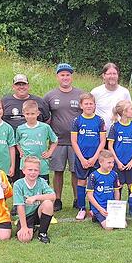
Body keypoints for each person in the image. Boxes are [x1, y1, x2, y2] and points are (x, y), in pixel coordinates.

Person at [44, 63, 84, 212]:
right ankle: (58, 199)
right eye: (62, 75)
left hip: (76, 142)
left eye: (68, 75)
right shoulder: (50, 96)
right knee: (58, 171)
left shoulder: (80, 94)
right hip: (58, 142)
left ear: (71, 77)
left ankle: (77, 199)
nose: (65, 77)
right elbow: (45, 117)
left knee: (75, 171)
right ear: (57, 77)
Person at [3, 73, 50, 184]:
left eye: (23, 84)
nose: (21, 87)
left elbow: (47, 120)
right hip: (12, 148)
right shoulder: (5, 101)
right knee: (16, 180)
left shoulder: (39, 102)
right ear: (13, 86)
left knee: (35, 179)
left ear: (28, 86)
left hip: (34, 151)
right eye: (18, 84)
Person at [70, 93, 107, 221]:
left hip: (96, 158)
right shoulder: (77, 121)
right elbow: (74, 141)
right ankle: (81, 208)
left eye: (91, 103)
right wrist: (82, 159)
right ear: (81, 105)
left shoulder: (99, 120)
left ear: (95, 105)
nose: (89, 106)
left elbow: (103, 141)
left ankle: (93, 208)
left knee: (95, 182)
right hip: (82, 158)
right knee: (81, 181)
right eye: (86, 103)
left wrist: (95, 157)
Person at [13, 156, 56, 243]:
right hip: (26, 216)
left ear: (39, 171)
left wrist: (36, 197)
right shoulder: (18, 184)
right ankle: (28, 227)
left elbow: (53, 196)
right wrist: (24, 227)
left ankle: (42, 233)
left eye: (35, 170)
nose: (33, 172)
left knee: (48, 203)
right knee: (25, 239)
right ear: (23, 170)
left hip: (37, 213)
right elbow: (20, 206)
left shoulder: (41, 181)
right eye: (30, 170)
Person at [15, 100, 57, 183]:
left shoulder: (45, 127)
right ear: (23, 113)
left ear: (38, 113)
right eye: (27, 114)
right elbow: (17, 142)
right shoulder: (20, 128)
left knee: (43, 188)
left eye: (32, 114)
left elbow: (55, 140)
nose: (30, 116)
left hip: (42, 164)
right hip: (26, 164)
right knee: (26, 187)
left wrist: (49, 152)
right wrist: (20, 151)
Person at [107, 100, 132, 195]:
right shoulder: (115, 127)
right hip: (119, 163)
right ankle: (116, 209)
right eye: (131, 109)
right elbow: (110, 146)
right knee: (118, 186)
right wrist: (117, 162)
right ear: (124, 112)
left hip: (131, 163)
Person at [86, 150, 121, 230]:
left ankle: (100, 217)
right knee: (109, 227)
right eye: (109, 163)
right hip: (100, 208)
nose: (111, 165)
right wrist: (100, 209)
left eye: (113, 162)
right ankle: (96, 215)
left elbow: (116, 191)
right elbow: (89, 195)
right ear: (100, 162)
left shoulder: (114, 174)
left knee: (123, 225)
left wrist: (116, 206)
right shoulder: (93, 175)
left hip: (111, 207)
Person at [91, 62, 132, 129]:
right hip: (99, 133)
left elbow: (129, 113)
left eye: (114, 74)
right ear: (103, 76)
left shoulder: (124, 92)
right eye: (109, 74)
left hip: (119, 134)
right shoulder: (95, 92)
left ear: (118, 75)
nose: (112, 76)